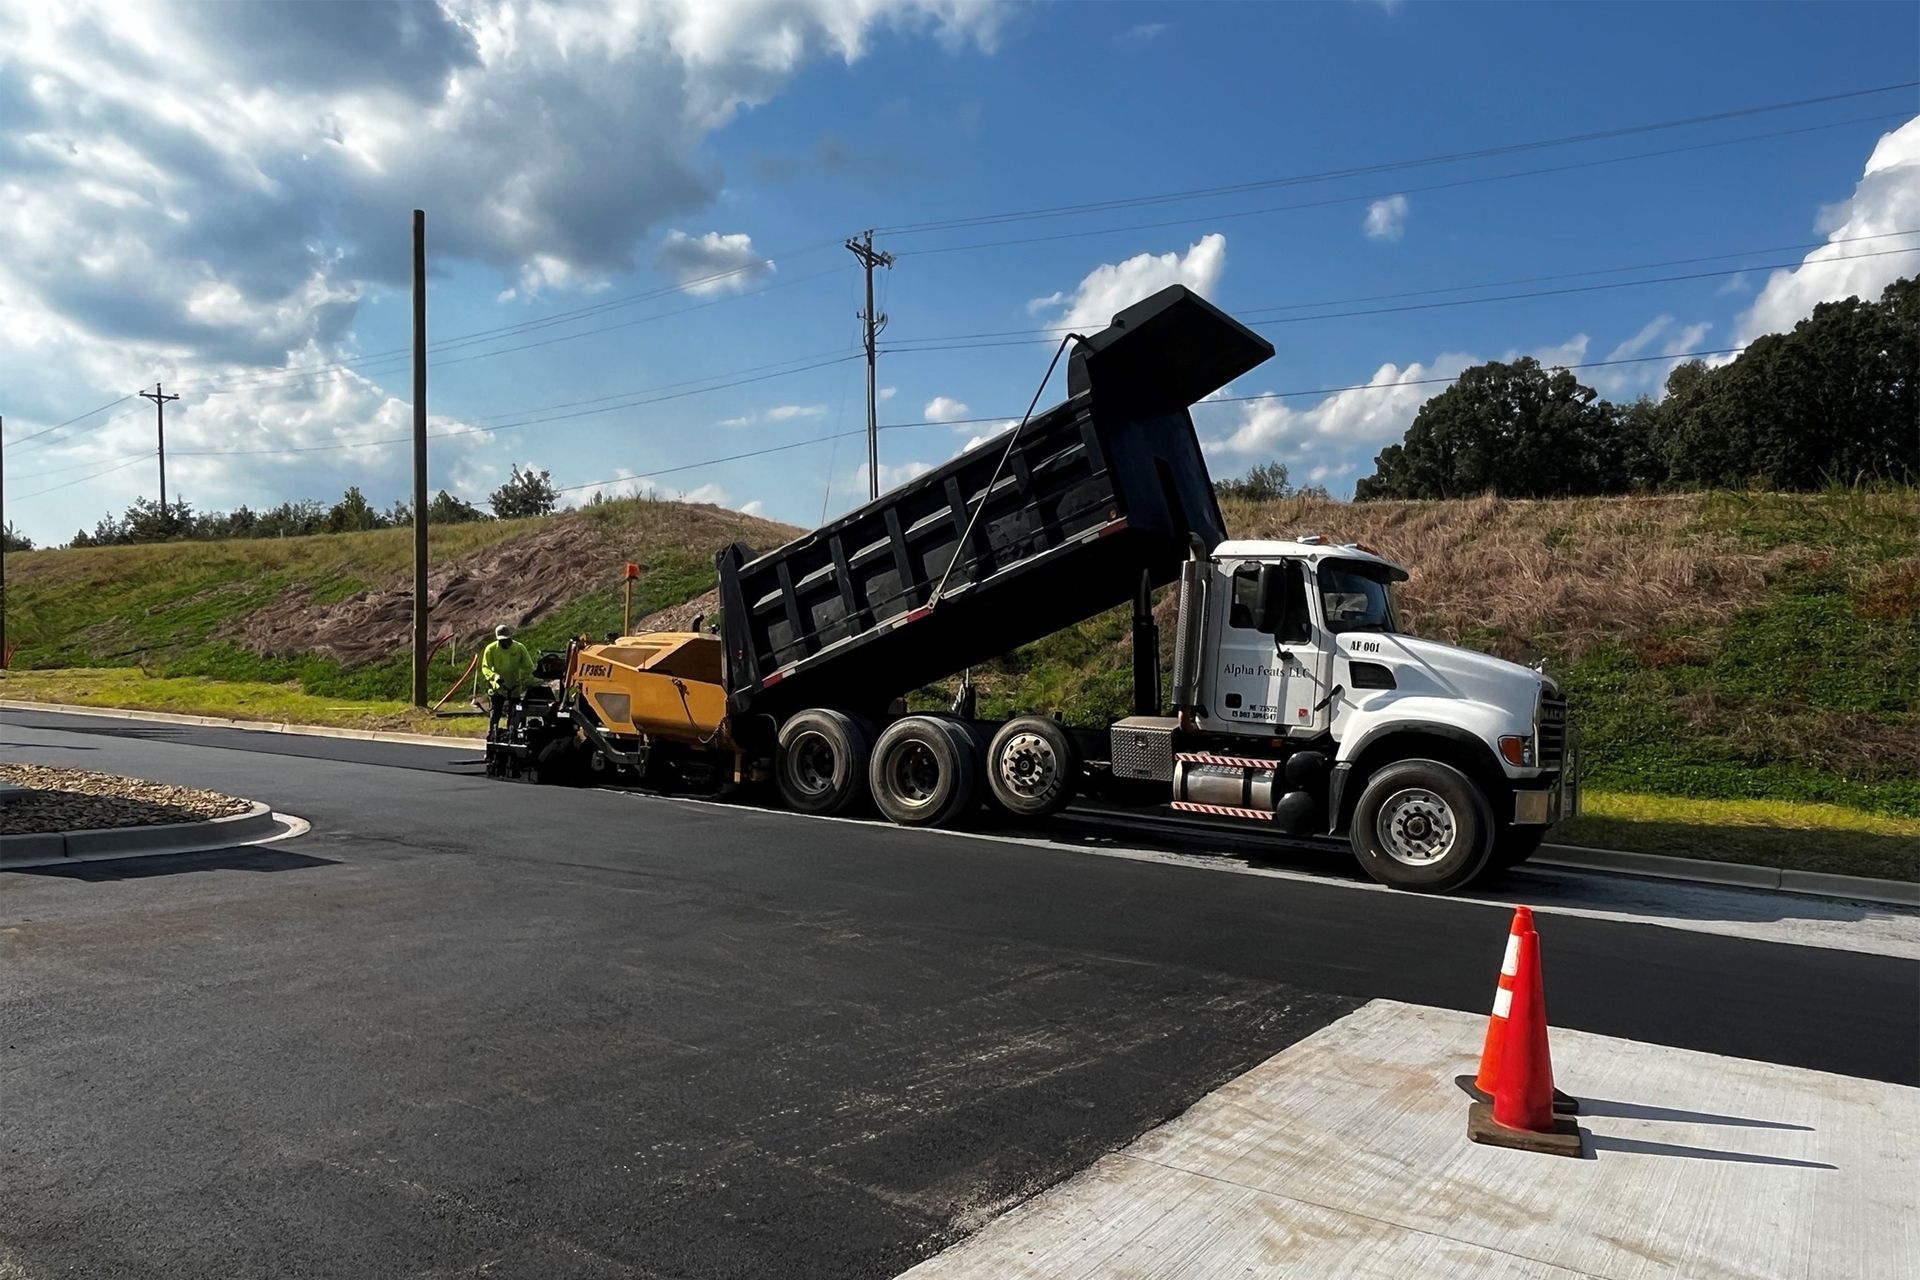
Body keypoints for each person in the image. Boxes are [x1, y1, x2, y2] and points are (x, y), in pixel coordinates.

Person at [481, 623, 536, 736]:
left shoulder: (519, 648)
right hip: (498, 688)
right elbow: (485, 667)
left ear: (510, 637)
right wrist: (494, 676)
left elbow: (529, 667)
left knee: (515, 714)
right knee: (496, 713)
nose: (504, 642)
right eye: (501, 640)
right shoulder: (490, 649)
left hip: (514, 687)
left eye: (506, 640)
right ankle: (492, 734)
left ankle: (512, 734)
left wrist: (526, 679)